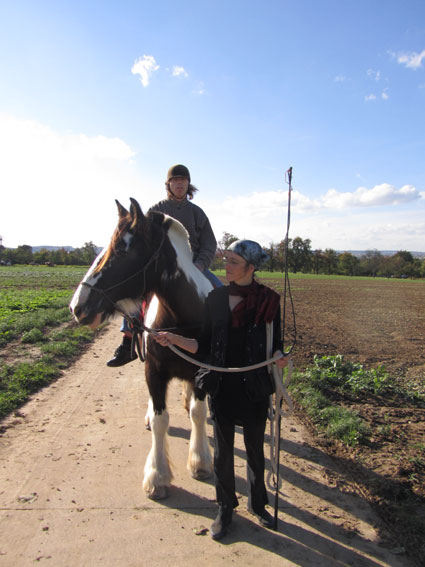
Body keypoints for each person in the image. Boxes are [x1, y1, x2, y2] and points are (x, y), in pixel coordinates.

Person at [153, 239, 290, 540]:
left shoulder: (270, 300)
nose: (225, 267)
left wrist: (280, 357)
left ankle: (258, 503)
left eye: (233, 262)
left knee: (255, 451)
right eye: (225, 260)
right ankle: (225, 508)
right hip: (223, 387)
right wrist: (173, 339)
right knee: (223, 452)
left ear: (251, 268)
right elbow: (202, 345)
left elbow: (276, 343)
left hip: (255, 387)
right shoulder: (215, 299)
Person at [107, 164, 221, 367]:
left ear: (188, 185)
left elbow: (209, 244)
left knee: (221, 293)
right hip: (161, 268)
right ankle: (126, 345)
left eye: (183, 180)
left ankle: (223, 344)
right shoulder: (156, 211)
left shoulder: (197, 213)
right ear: (168, 184)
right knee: (134, 296)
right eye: (175, 180)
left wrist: (200, 266)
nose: (179, 184)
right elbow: (143, 242)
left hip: (194, 267)